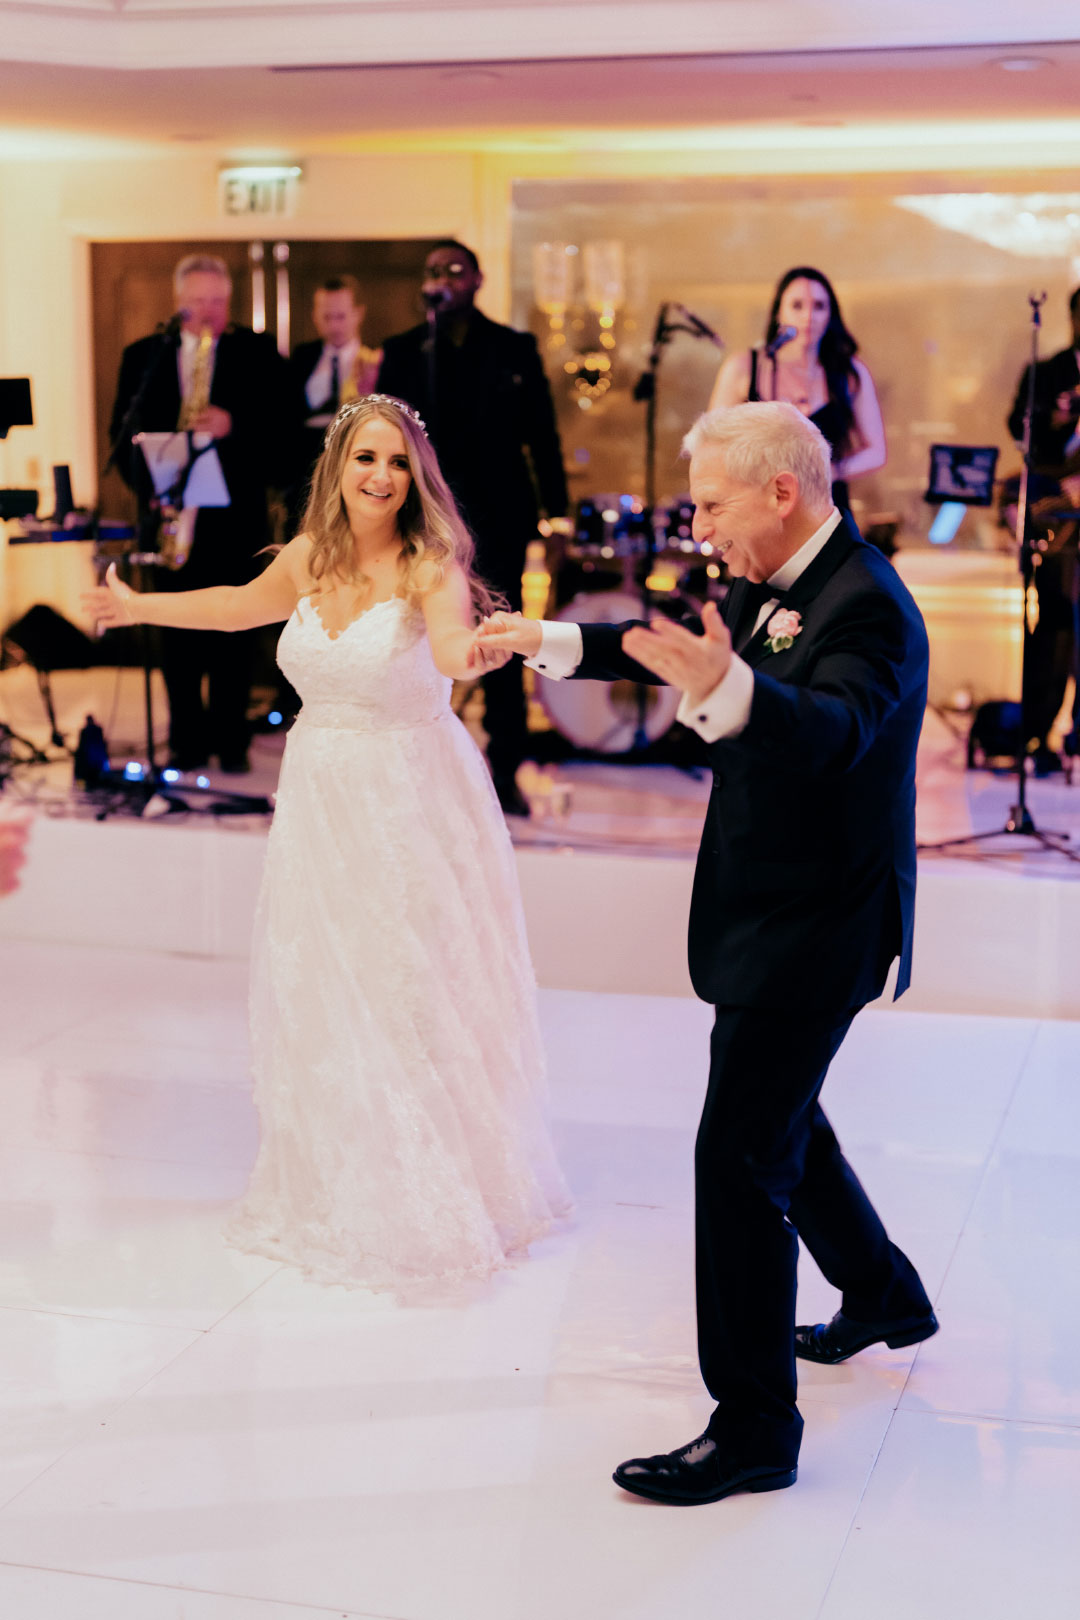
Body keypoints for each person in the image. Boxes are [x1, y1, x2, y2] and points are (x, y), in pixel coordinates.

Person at [477, 402, 937, 1505]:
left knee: (738, 1157)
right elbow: (671, 652)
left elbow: (831, 731)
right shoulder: (777, 580)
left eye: (713, 505)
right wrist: (545, 642)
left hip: (820, 924)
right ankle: (883, 1294)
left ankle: (754, 1430)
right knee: (781, 1121)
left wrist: (730, 692)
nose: (701, 528)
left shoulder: (869, 607)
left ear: (783, 491)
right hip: (769, 908)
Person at [84, 394, 570, 1292]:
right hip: (319, 797)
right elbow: (236, 607)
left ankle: (432, 1183)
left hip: (407, 798)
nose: (380, 477)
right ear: (337, 469)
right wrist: (135, 603)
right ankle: (337, 1176)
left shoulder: (431, 565)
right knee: (324, 982)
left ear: (416, 475)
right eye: (364, 460)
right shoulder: (312, 555)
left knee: (404, 984)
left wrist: (483, 655)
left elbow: (457, 648)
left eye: (396, 462)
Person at [377, 240, 569, 818]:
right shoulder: (404, 351)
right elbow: (387, 437)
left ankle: (504, 770)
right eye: (434, 272)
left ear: (477, 279)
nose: (444, 280)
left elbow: (543, 436)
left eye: (454, 271)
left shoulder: (512, 348)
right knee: (413, 639)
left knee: (499, 639)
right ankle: (418, 768)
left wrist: (555, 515)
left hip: (498, 517)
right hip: (422, 519)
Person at [108, 253, 289, 773]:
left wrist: (235, 425)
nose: (207, 312)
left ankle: (231, 739)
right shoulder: (144, 355)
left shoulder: (257, 354)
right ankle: (187, 739)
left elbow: (286, 435)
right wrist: (149, 490)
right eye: (196, 302)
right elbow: (121, 436)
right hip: (169, 516)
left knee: (236, 629)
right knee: (175, 632)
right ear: (177, 304)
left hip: (235, 519)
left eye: (217, 301)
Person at [709, 267, 885, 511]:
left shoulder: (849, 373)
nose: (809, 316)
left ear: (830, 314)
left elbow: (877, 451)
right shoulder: (744, 368)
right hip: (762, 505)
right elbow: (712, 444)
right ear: (779, 312)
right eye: (797, 305)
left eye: (819, 306)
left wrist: (830, 472)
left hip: (827, 507)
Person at [1006, 285, 1080, 775]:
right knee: (1051, 624)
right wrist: (1056, 417)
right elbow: (1020, 429)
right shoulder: (1047, 371)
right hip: (1060, 520)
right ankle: (1037, 733)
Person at [286, 275, 382, 532]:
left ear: (358, 314)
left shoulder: (375, 360)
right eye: (326, 317)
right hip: (305, 468)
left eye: (340, 316)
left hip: (355, 460)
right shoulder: (301, 358)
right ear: (315, 316)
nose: (334, 325)